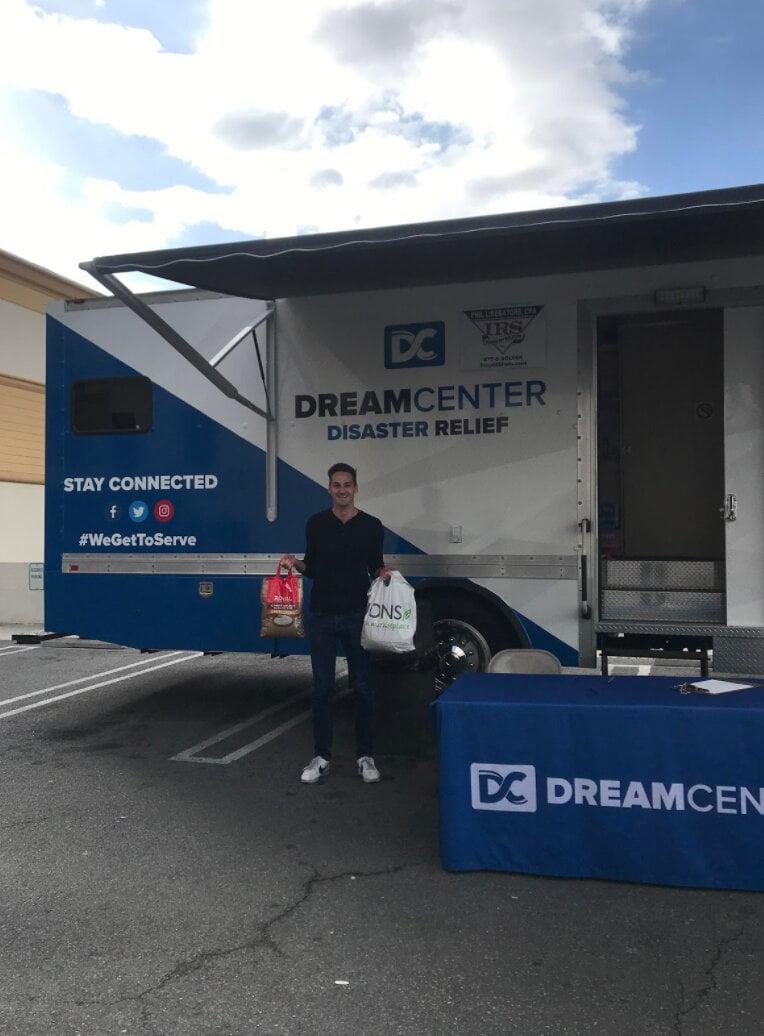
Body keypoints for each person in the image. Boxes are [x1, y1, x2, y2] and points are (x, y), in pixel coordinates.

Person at [281, 463, 393, 784]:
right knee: (322, 689)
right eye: (336, 485)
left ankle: (365, 756)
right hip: (322, 615)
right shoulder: (316, 524)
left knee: (363, 688)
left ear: (356, 488)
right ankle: (321, 757)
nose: (342, 490)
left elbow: (374, 567)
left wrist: (383, 573)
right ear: (329, 489)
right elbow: (312, 567)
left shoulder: (372, 526)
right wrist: (294, 563)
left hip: (358, 615)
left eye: (347, 485)